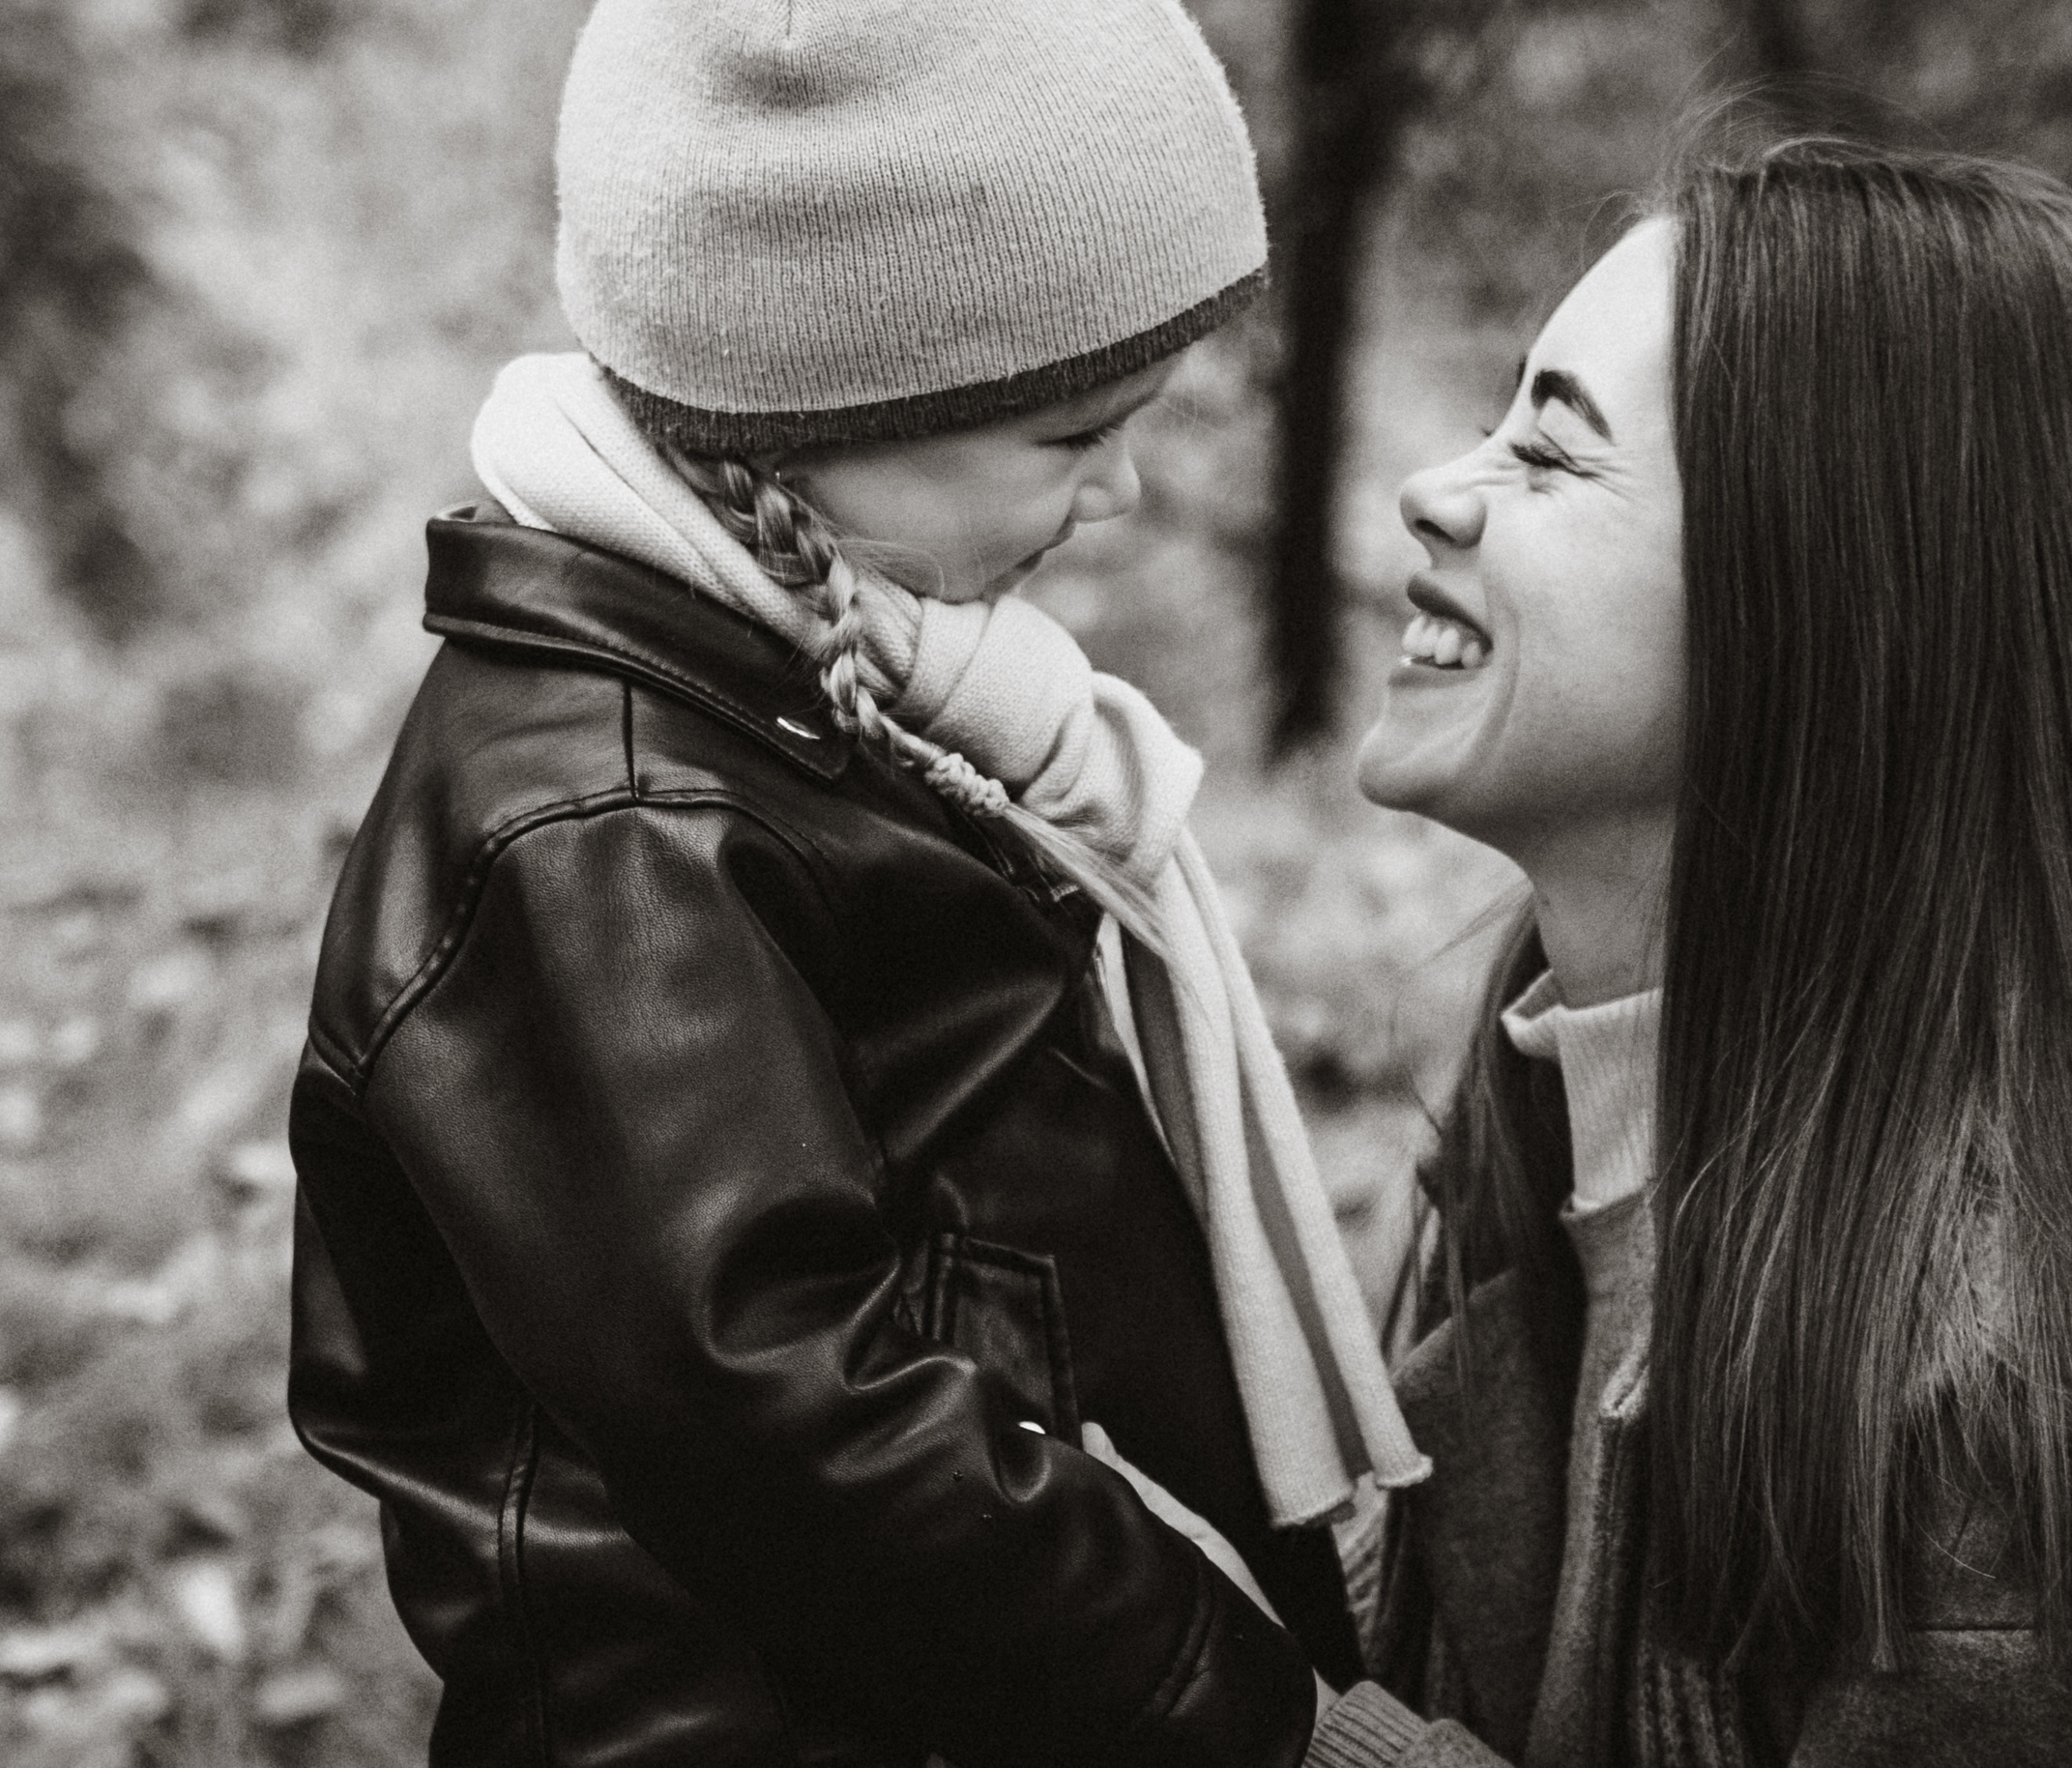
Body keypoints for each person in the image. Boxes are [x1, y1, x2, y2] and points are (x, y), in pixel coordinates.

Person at [283, 1, 1431, 1762]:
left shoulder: (828, 690)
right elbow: (795, 1423)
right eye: (1072, 434)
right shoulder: (607, 834)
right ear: (819, 413)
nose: (1123, 491)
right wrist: (1253, 1719)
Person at [1106, 138, 2072, 1765]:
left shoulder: (2006, 1432)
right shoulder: (1535, 1173)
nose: (1433, 490)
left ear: (1837, 595)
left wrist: (1263, 1724)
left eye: (1550, 450)